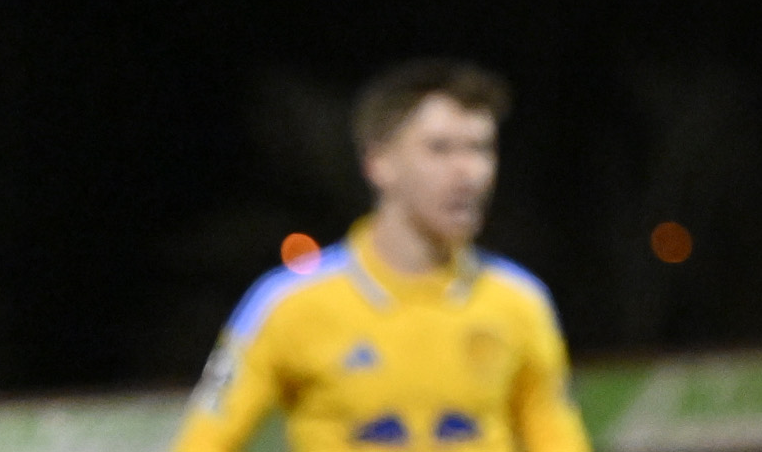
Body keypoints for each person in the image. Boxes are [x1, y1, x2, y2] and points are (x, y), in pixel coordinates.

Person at [172, 61, 586, 452]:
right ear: (379, 163)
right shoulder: (286, 303)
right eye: (440, 149)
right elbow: (205, 441)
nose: (469, 172)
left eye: (480, 148)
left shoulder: (519, 301)